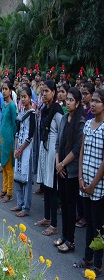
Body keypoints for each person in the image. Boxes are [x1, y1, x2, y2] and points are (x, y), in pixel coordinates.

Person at [74, 89, 104, 277]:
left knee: (98, 227)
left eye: (97, 101)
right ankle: (88, 257)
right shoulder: (87, 125)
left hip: (98, 186)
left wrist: (93, 183)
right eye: (91, 100)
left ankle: (98, 264)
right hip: (84, 183)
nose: (92, 104)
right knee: (89, 223)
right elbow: (82, 152)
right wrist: (81, 178)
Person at [54, 87, 85, 253]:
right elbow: (58, 143)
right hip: (61, 169)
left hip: (71, 170)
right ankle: (64, 235)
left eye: (71, 100)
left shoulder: (81, 122)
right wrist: (58, 163)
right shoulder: (65, 118)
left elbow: (77, 147)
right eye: (68, 99)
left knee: (71, 205)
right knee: (64, 205)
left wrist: (63, 164)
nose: (68, 102)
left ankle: (70, 240)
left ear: (78, 102)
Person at [34, 80, 64, 236]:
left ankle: (54, 224)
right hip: (44, 148)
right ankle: (46, 217)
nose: (44, 94)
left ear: (54, 92)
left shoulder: (57, 111)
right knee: (45, 185)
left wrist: (59, 155)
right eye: (43, 91)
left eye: (47, 91)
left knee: (51, 186)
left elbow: (61, 133)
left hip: (53, 149)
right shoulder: (45, 109)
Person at [11, 87, 36, 217]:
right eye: (21, 97)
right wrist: (16, 148)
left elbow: (30, 134)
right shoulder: (21, 111)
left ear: (30, 97)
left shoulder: (32, 114)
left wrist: (21, 149)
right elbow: (18, 131)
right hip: (19, 147)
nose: (23, 99)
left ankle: (26, 207)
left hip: (27, 149)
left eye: (25, 96)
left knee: (26, 177)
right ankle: (20, 203)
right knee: (18, 177)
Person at [0, 81, 17, 203]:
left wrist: (13, 139)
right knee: (3, 165)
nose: (4, 91)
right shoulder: (4, 104)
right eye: (3, 89)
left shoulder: (12, 106)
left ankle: (9, 192)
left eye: (6, 89)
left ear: (10, 91)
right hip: (2, 138)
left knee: (9, 167)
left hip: (8, 139)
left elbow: (14, 124)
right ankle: (4, 189)